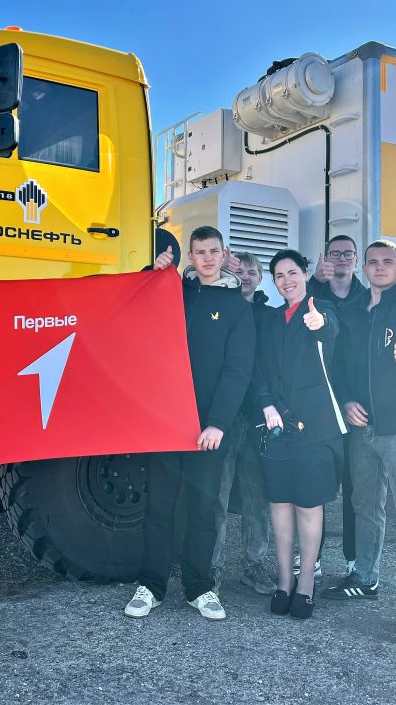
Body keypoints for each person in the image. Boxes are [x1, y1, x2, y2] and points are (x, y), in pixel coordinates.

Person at [124, 226, 255, 621]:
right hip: (166, 422)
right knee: (158, 506)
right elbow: (134, 306)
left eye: (214, 251)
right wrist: (152, 271)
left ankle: (200, 588)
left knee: (203, 509)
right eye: (200, 252)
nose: (208, 258)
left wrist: (218, 423)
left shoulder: (237, 306)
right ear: (191, 257)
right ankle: (151, 586)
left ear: (224, 254)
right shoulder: (173, 292)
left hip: (207, 430)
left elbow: (237, 370)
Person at [321, 240, 396, 640]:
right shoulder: (351, 311)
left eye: (388, 262)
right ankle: (365, 577)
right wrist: (346, 400)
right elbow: (337, 366)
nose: (379, 267)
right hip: (362, 427)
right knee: (364, 505)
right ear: (364, 268)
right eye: (372, 262)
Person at [252, 249, 346, 619]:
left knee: (308, 505)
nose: (286, 281)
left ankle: (306, 581)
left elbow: (329, 328)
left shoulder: (321, 309)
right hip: (277, 425)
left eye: (292, 272)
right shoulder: (270, 320)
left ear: (305, 273)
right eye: (279, 275)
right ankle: (283, 579)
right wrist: (265, 404)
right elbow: (258, 367)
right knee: (279, 504)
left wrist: (318, 321)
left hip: (315, 427)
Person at [210, 251, 276, 596]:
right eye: (242, 271)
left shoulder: (269, 316)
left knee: (256, 497)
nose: (247, 276)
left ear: (261, 278)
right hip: (223, 416)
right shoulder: (221, 309)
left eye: (253, 272)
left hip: (256, 418)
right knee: (217, 497)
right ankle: (212, 568)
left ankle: (255, 565)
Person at [303, 234, 362, 579]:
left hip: (354, 405)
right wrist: (314, 281)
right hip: (321, 403)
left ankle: (354, 558)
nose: (341, 259)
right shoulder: (314, 295)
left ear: (356, 260)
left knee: (356, 488)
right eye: (335, 253)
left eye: (347, 253)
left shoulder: (366, 299)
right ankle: (313, 557)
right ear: (325, 258)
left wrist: (354, 398)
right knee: (318, 485)